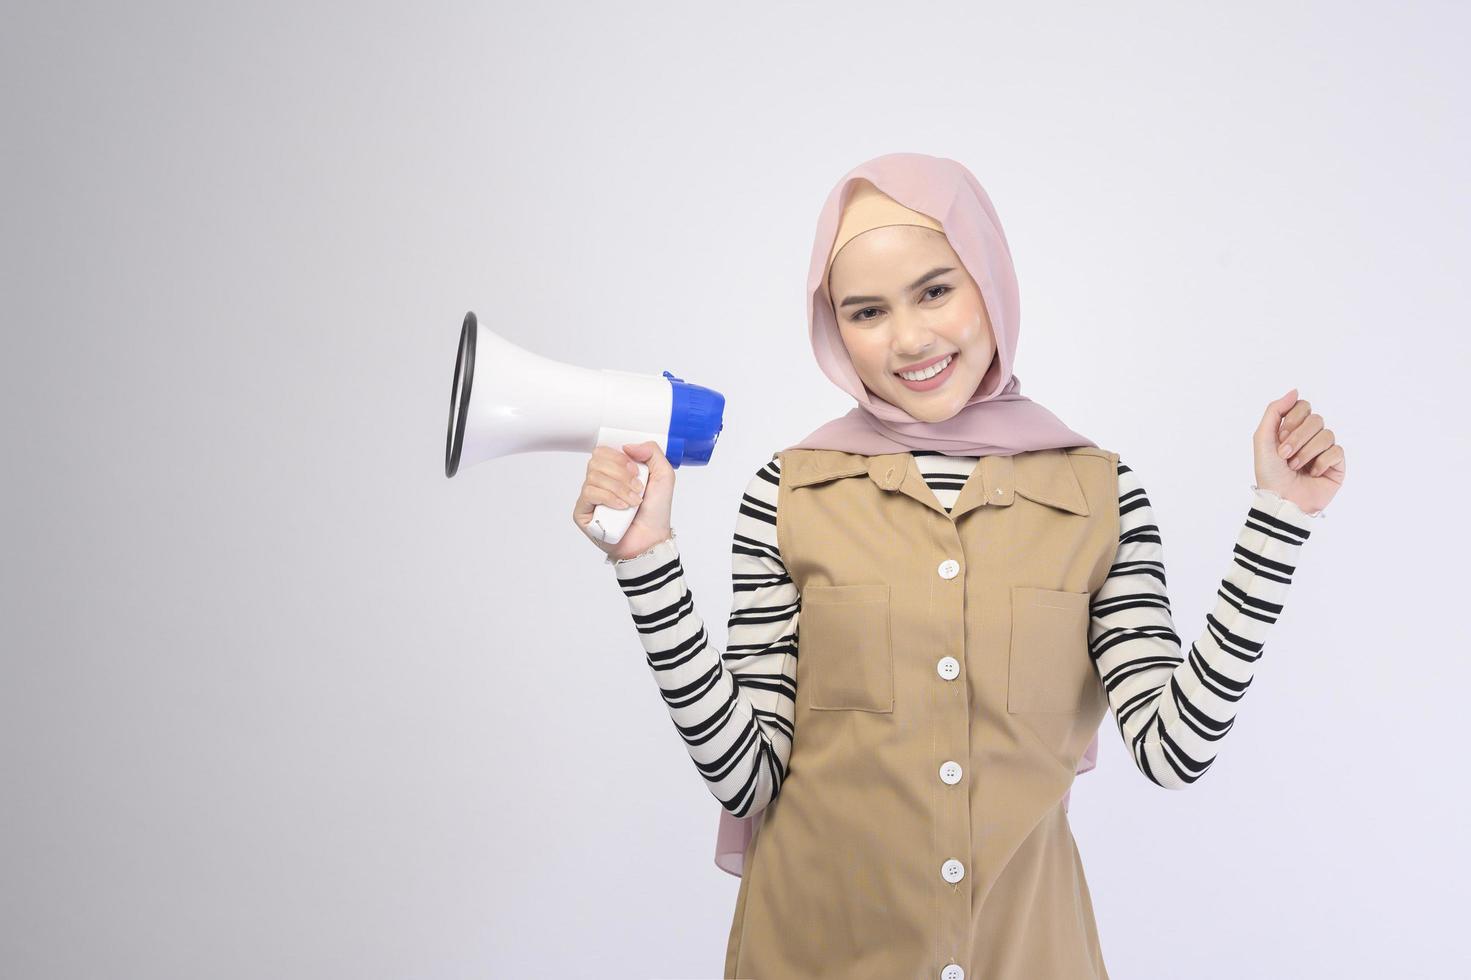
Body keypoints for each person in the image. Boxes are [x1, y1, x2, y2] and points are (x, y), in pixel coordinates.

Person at [573, 153, 1345, 980]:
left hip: (1028, 954)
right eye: (866, 311)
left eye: (935, 289)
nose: (910, 338)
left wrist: (1279, 521)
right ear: (835, 328)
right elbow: (746, 774)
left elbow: (1172, 748)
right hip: (809, 953)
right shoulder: (787, 491)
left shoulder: (1099, 492)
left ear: (988, 279)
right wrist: (645, 561)